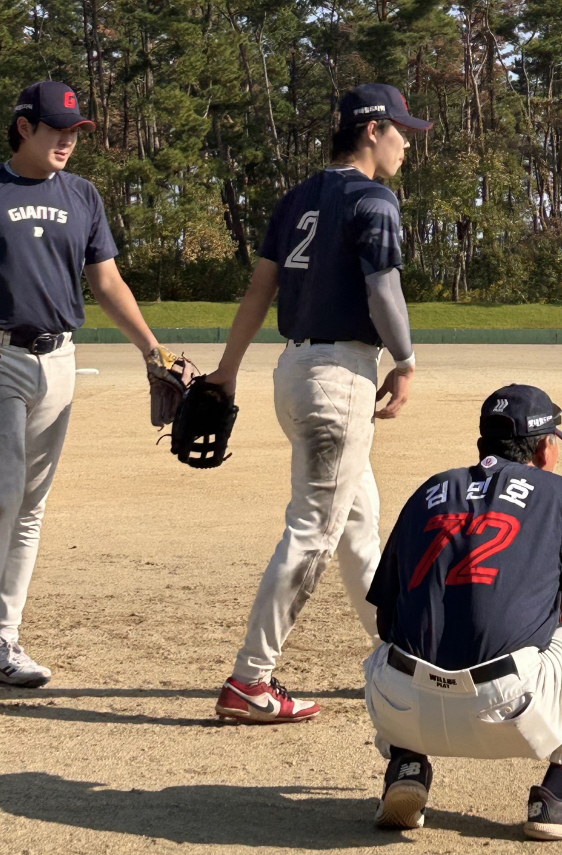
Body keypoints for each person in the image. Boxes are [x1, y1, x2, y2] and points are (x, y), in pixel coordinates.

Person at [0, 81, 165, 701]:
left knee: (30, 505)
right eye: (57, 130)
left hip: (59, 359)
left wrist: (153, 350)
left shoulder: (83, 196)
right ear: (24, 127)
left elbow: (106, 282)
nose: (68, 141)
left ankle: (3, 641)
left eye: (75, 131)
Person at [207, 82, 431, 725]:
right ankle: (250, 680)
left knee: (359, 525)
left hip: (297, 370)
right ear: (372, 130)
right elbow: (383, 290)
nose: (405, 147)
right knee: (314, 531)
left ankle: (399, 654)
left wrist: (229, 369)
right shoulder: (372, 198)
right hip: (340, 377)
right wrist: (407, 361)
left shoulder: (298, 197)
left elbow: (257, 292)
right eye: (401, 133)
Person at [363, 384, 562, 841]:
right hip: (510, 713)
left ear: (483, 444)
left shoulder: (429, 491)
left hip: (401, 707)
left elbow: (384, 619)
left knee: (397, 641)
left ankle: (407, 765)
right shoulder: (560, 494)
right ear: (542, 448)